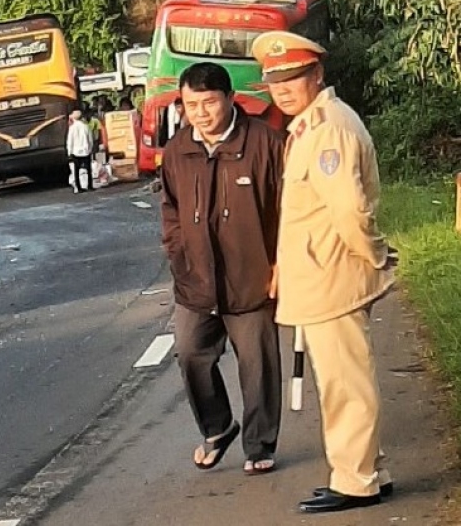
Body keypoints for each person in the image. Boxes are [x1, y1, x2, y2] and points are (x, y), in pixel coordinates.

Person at [250, 31, 397, 514]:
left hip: (333, 276)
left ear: (317, 75)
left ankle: (356, 481)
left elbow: (350, 211)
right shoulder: (313, 124)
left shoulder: (328, 129)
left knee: (344, 383)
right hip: (321, 276)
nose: (284, 89)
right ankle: (369, 468)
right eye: (275, 81)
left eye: (293, 77)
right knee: (343, 377)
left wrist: (374, 256)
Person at [159, 62, 286, 476]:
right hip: (196, 281)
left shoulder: (266, 144)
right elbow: (172, 210)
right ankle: (217, 428)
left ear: (230, 99)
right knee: (191, 353)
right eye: (190, 104)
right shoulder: (178, 149)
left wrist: (281, 263)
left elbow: (289, 211)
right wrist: (178, 254)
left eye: (208, 102)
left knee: (258, 366)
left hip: (252, 278)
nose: (200, 112)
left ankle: (259, 445)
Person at [66, 109, 94, 193]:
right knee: (89, 169)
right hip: (86, 151)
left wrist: (69, 151)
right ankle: (89, 185)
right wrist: (90, 148)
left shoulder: (72, 128)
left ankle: (78, 187)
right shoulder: (85, 126)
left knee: (76, 170)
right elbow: (90, 139)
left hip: (76, 151)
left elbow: (70, 141)